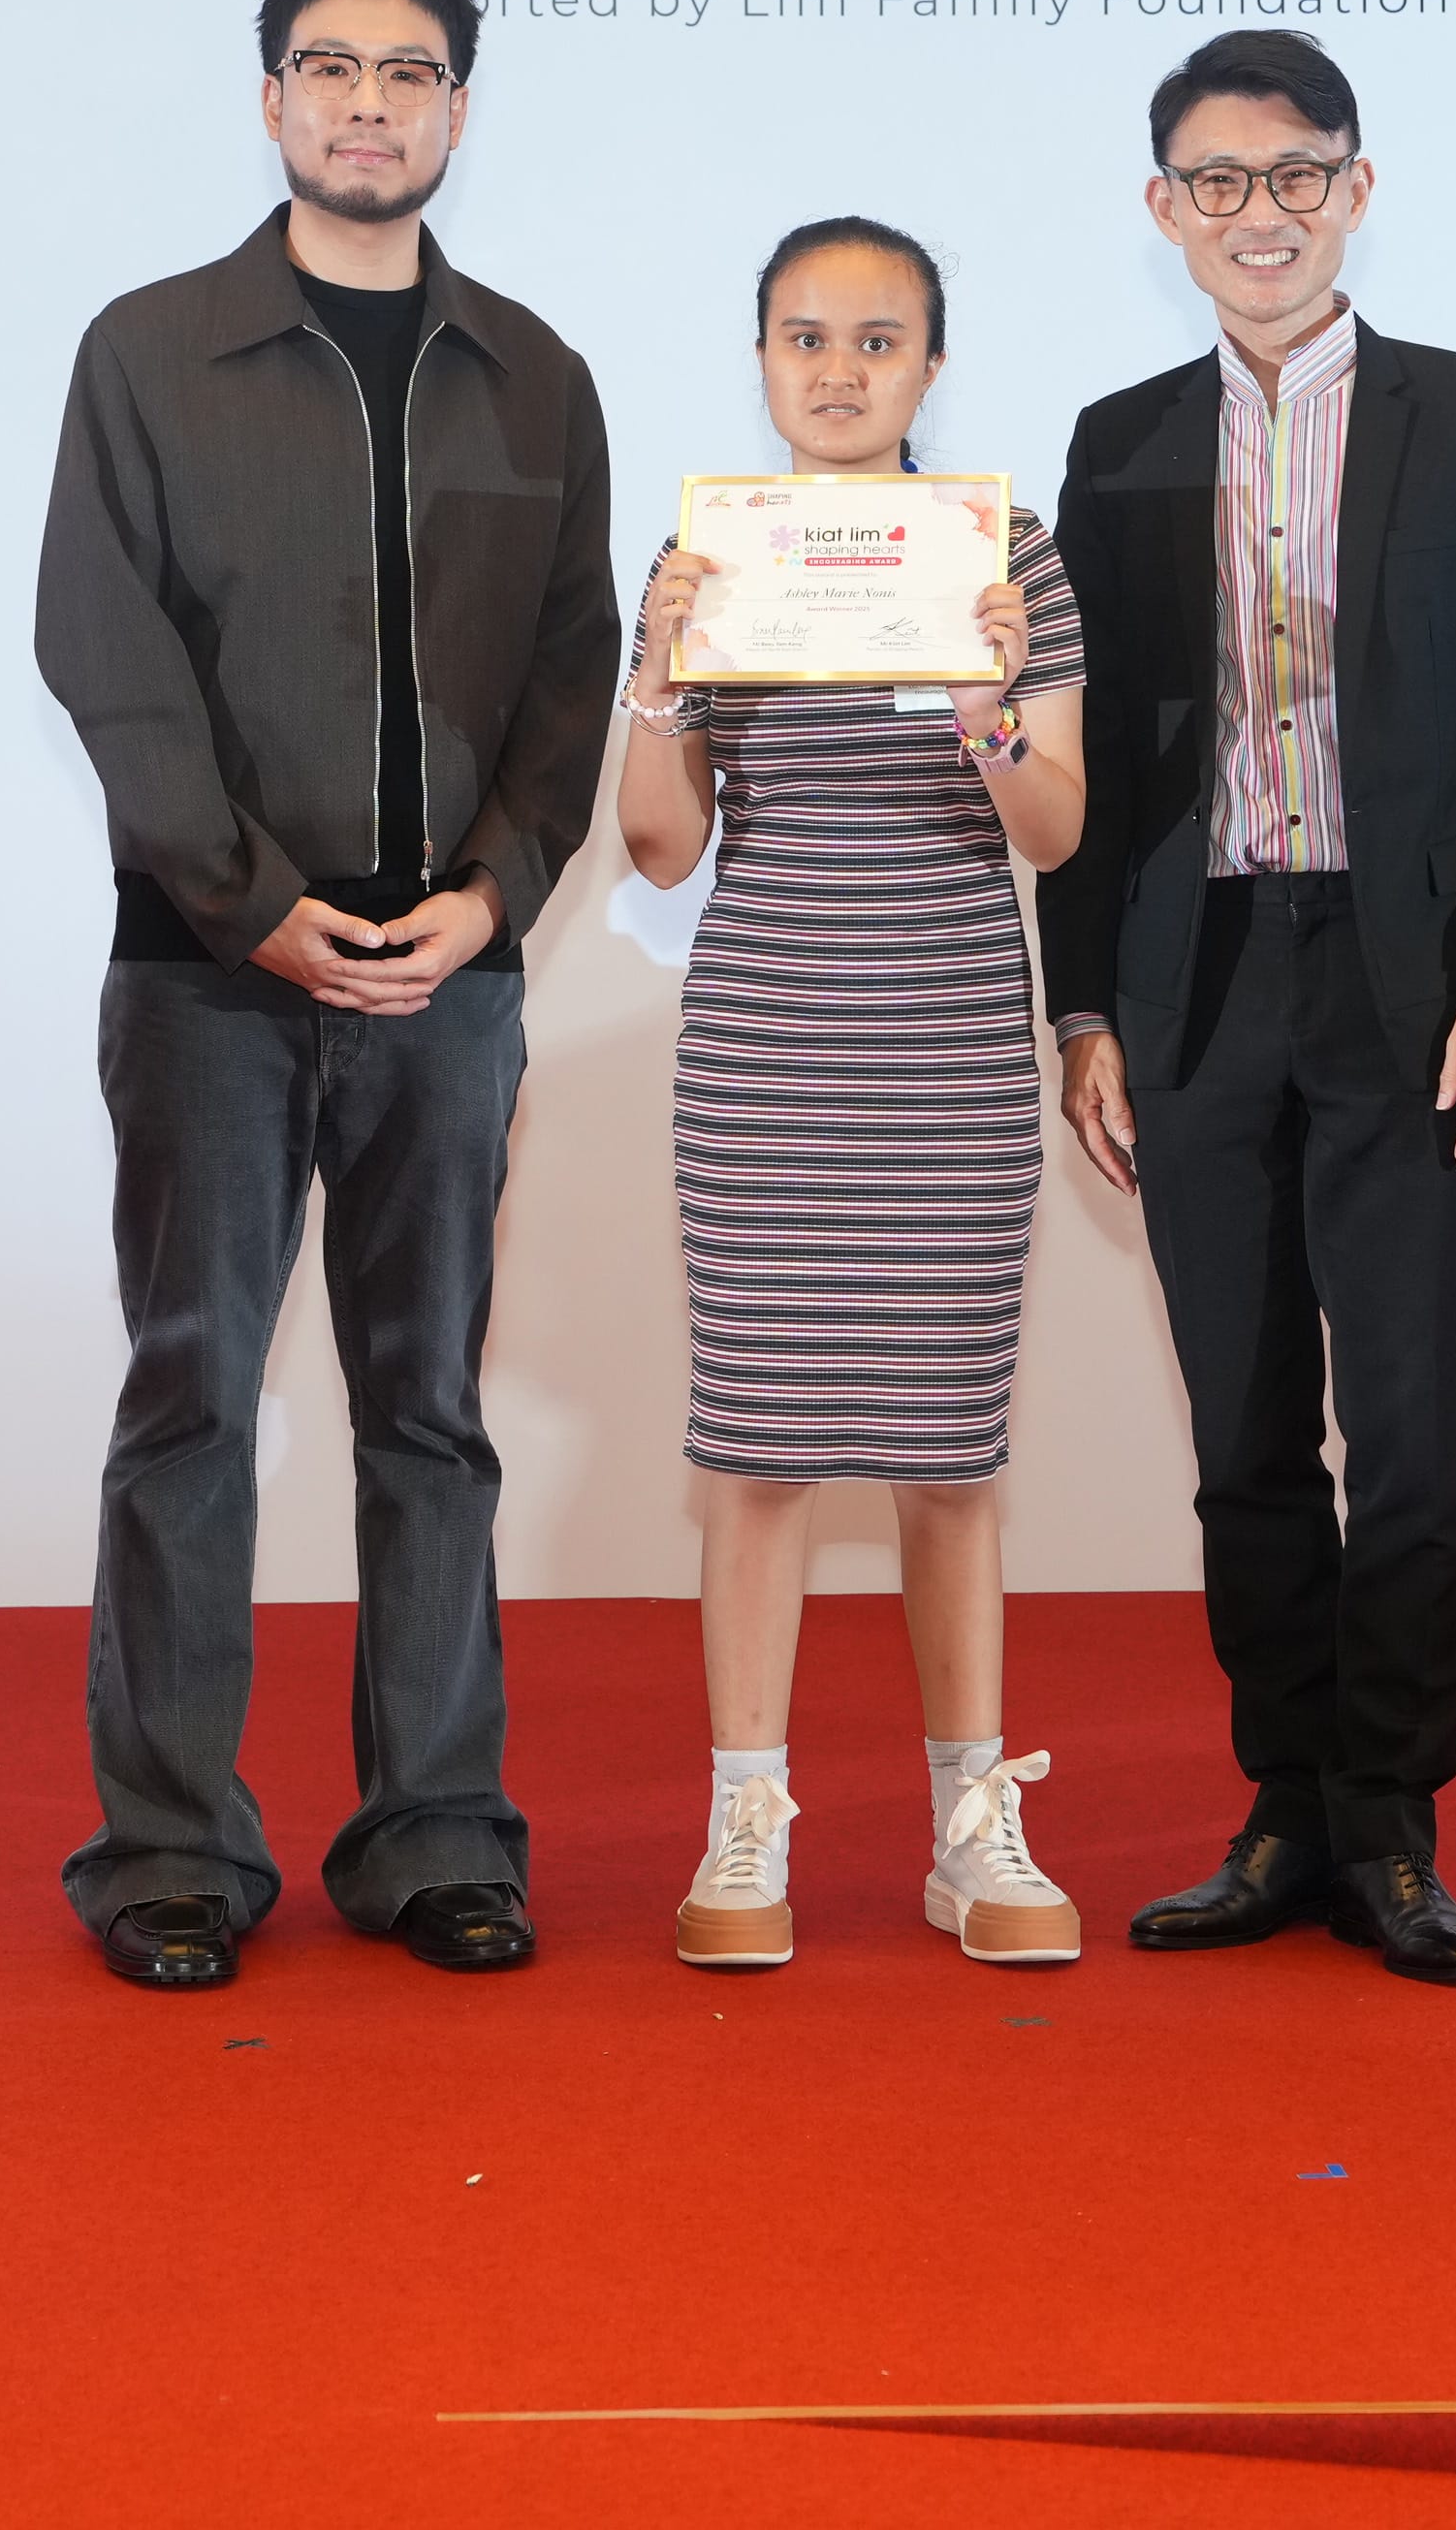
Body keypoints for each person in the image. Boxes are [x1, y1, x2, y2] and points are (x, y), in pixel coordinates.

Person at [31, 0, 618, 1992]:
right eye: (330, 67)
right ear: (272, 97)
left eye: (410, 71)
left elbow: (574, 665)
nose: (370, 103)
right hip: (208, 976)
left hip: (447, 982)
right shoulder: (152, 351)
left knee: (426, 1411)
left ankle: (437, 1830)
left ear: (461, 104)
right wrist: (249, 901)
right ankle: (173, 1851)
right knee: (192, 1403)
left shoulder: (535, 372)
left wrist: (502, 887)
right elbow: (105, 659)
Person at [1037, 29, 1456, 1988]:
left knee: (1415, 1429)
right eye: (1215, 182)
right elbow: (1085, 750)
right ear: (1163, 208)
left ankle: (1394, 1821)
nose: (1254, 214)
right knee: (1246, 1434)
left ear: (1357, 187)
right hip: (1193, 988)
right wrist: (1083, 1008)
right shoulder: (1115, 443)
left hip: (1408, 983)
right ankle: (1283, 1807)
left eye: (1293, 176)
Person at [617, 221, 1093, 1969]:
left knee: (948, 1456)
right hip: (766, 1047)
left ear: (932, 365)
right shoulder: (707, 557)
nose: (838, 371)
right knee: (754, 1456)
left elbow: (1052, 829)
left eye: (877, 340)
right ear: (758, 358)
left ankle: (973, 1828)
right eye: (804, 338)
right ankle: (746, 1819)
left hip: (949, 1043)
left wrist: (986, 705)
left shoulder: (1005, 555)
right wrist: (662, 674)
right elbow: (662, 849)